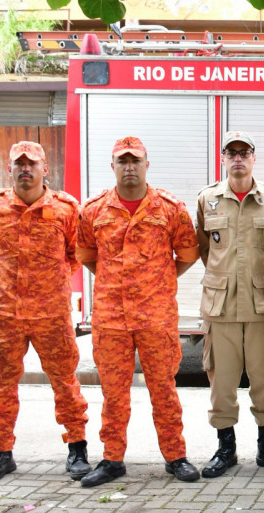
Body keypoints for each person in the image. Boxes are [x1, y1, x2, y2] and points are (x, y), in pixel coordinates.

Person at [75, 136, 201, 487]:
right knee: (113, 393)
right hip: (111, 318)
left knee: (164, 389)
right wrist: (117, 282)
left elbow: (188, 254)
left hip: (156, 316)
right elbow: (86, 256)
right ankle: (112, 460)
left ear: (147, 165)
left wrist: (158, 281)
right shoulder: (93, 210)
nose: (129, 167)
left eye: (136, 161)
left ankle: (175, 456)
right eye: (122, 161)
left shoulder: (170, 208)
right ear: (112, 167)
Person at [0, 141, 91, 484]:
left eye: (32, 164)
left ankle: (77, 449)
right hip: (4, 311)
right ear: (9, 169)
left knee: (65, 382)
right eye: (18, 164)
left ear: (45, 170)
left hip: (51, 312)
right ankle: (2, 452)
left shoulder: (67, 208)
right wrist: (11, 282)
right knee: (2, 385)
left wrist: (47, 282)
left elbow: (77, 253)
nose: (26, 169)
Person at [195, 130, 264, 478]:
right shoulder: (208, 199)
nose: (238, 158)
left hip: (263, 305)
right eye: (231, 153)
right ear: (223, 158)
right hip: (221, 307)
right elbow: (206, 249)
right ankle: (226, 449)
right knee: (222, 382)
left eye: (244, 152)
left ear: (254, 157)